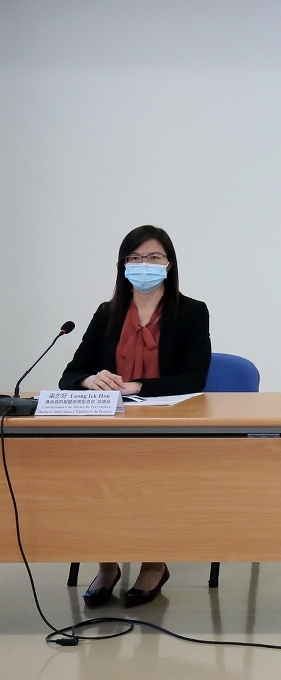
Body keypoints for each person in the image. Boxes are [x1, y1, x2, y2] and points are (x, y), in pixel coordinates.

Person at [60, 225, 211, 609]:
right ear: (124, 265)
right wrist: (91, 379)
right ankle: (107, 564)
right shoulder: (107, 313)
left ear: (169, 264)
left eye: (154, 257)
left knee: (151, 477)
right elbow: (71, 374)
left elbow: (194, 378)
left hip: (168, 426)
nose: (145, 264)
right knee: (92, 478)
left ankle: (154, 563)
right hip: (109, 425)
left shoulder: (192, 312)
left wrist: (138, 386)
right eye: (135, 258)